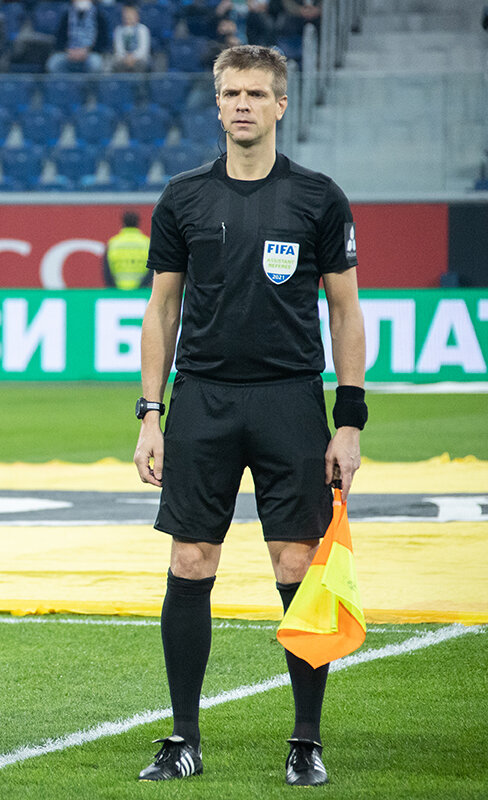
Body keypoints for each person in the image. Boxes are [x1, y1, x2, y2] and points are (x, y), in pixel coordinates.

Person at [132, 45, 365, 787]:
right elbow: (161, 307)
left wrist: (349, 418)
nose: (242, 104)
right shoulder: (183, 197)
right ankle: (182, 735)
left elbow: (346, 309)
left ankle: (305, 739)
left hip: (290, 398)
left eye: (257, 94)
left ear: (281, 105)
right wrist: (150, 413)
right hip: (202, 397)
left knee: (295, 565)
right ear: (218, 101)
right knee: (190, 561)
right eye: (231, 92)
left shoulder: (319, 197)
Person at [45, 0, 106, 74]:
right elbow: (59, 40)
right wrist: (68, 50)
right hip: (69, 53)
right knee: (53, 63)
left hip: (90, 54)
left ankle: (88, 85)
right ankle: (63, 84)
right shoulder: (66, 15)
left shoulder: (100, 16)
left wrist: (86, 51)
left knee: (96, 64)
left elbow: (103, 42)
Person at [103, 210, 151, 289]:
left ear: (123, 223)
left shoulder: (113, 243)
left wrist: (113, 289)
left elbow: (107, 271)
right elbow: (151, 270)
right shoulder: (147, 243)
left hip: (118, 292)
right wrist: (142, 288)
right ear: (138, 223)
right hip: (141, 293)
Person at [111, 4, 152, 73]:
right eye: (126, 14)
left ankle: (139, 83)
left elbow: (143, 49)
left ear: (137, 16)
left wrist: (133, 57)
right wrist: (126, 58)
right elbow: (118, 48)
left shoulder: (143, 29)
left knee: (141, 64)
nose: (128, 16)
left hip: (139, 59)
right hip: (123, 59)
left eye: (131, 14)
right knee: (115, 63)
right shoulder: (118, 30)